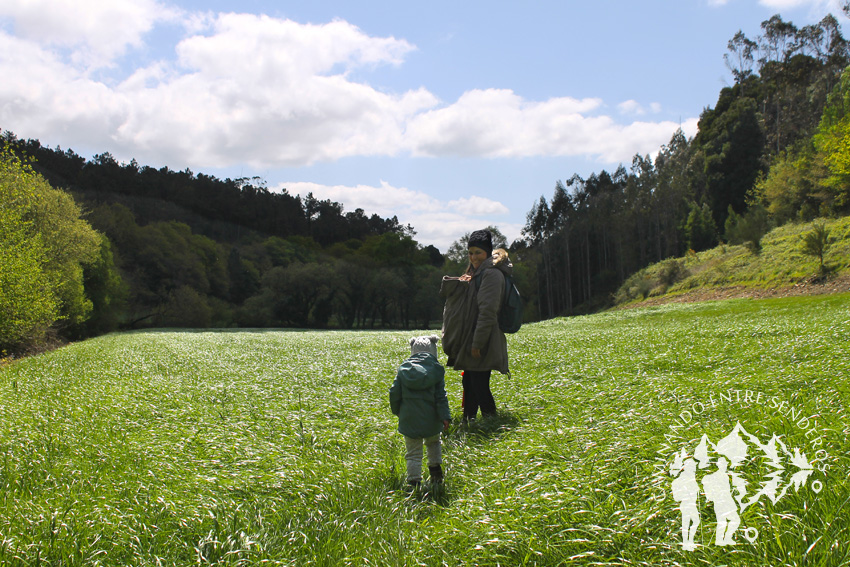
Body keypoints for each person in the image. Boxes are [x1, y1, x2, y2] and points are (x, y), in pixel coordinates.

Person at [440, 229, 512, 422]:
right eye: (470, 252)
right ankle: (468, 421)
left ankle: (492, 422)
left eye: (478, 252)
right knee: (469, 381)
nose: (473, 257)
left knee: (479, 384)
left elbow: (487, 312)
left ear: (487, 252)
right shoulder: (477, 273)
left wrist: (477, 343)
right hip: (472, 337)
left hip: (483, 338)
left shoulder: (491, 275)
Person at [389, 335, 451, 487]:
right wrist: (445, 416)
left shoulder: (403, 370)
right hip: (431, 418)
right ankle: (436, 473)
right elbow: (441, 396)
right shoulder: (436, 370)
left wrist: (398, 411)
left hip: (409, 418)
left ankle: (413, 482)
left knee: (413, 453)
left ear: (412, 350)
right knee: (434, 443)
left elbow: (394, 393)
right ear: (433, 350)